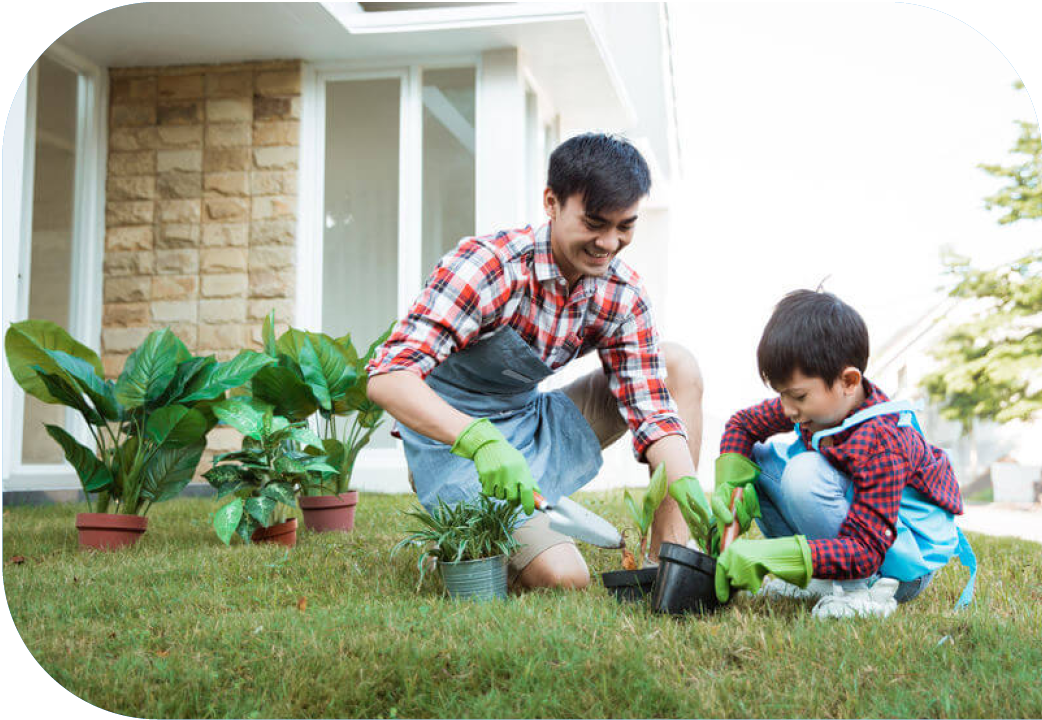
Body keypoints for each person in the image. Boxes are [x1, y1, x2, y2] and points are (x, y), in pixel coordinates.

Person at [366, 133, 708, 590]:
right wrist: (479, 440)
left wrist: (686, 486)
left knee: (676, 365)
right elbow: (387, 377)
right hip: (454, 446)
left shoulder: (621, 293)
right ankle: (462, 537)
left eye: (625, 226)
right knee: (564, 577)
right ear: (551, 202)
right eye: (594, 223)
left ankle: (665, 566)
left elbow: (652, 407)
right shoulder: (489, 267)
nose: (609, 242)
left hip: (531, 423)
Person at [710, 289, 976, 616]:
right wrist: (730, 488)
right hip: (852, 538)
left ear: (848, 380)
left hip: (895, 568)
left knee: (804, 474)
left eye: (797, 396)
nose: (788, 410)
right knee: (757, 462)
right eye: (781, 395)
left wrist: (773, 555)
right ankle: (824, 577)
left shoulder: (884, 440)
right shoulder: (816, 403)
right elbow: (742, 425)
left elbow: (866, 549)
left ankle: (859, 592)